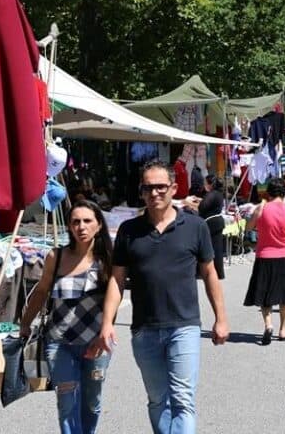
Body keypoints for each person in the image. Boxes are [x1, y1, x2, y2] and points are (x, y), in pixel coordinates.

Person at [98, 160, 229, 433]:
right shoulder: (128, 231)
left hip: (184, 326)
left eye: (160, 187)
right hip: (144, 330)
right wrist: (107, 322)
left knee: (182, 399)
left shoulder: (195, 226)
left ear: (174, 188)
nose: (154, 193)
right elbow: (117, 279)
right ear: (141, 191)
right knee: (158, 400)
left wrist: (221, 319)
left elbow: (210, 274)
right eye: (148, 188)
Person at [20, 200, 113, 434]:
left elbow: (117, 294)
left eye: (87, 221)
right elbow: (41, 291)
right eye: (75, 222)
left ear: (98, 225)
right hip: (59, 343)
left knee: (92, 402)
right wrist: (24, 323)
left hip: (97, 343)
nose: (81, 226)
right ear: (69, 227)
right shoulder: (56, 256)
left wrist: (108, 327)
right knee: (67, 402)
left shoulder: (108, 260)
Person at [243, 178, 285, 344]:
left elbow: (248, 227)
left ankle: (268, 325)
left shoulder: (262, 208)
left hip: (265, 256)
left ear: (269, 193)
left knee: (265, 295)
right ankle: (283, 329)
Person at [184, 174, 227, 280]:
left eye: (205, 183)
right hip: (215, 222)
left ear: (210, 184)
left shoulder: (212, 194)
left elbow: (202, 208)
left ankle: (207, 271)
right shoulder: (216, 194)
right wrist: (198, 200)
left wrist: (188, 202)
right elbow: (206, 204)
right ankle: (217, 272)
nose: (204, 185)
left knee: (208, 248)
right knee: (216, 249)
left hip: (212, 223)